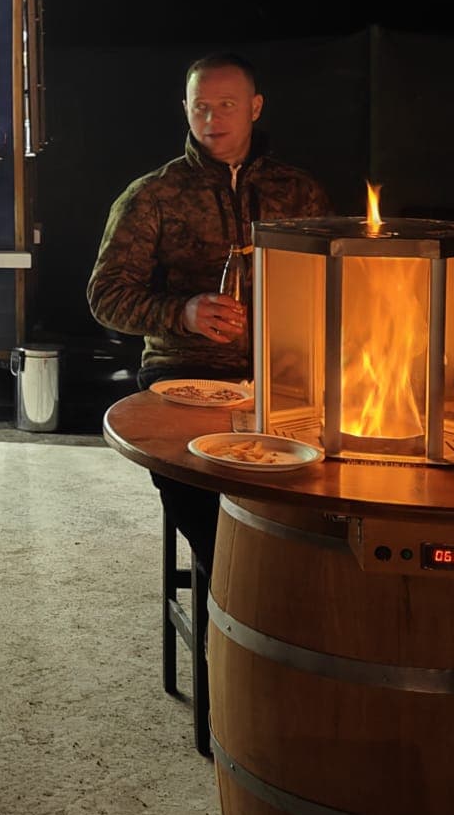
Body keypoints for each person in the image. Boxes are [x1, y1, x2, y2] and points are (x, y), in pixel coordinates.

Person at [87, 53, 331, 567]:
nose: (213, 120)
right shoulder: (153, 194)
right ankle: (228, 611)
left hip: (286, 371)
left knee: (324, 493)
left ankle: (290, 600)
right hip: (185, 374)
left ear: (255, 107)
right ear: (185, 110)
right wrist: (184, 313)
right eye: (201, 108)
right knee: (203, 502)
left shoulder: (300, 192)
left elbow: (335, 285)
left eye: (226, 105)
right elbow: (105, 296)